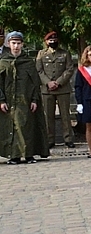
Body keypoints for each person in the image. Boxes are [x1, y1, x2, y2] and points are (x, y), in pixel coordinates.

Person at [0, 31, 49, 164]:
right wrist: (1, 100)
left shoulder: (28, 62)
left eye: (18, 43)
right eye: (13, 43)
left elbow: (35, 83)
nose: (16, 46)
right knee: (11, 127)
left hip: (25, 100)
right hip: (8, 100)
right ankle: (14, 155)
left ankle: (29, 154)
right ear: (9, 44)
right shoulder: (3, 61)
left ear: (22, 44)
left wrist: (34, 99)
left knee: (27, 126)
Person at [36, 31, 76, 148]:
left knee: (65, 115)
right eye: (50, 40)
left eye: (55, 40)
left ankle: (68, 139)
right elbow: (39, 70)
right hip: (47, 89)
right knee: (48, 115)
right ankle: (49, 140)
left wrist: (58, 82)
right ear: (46, 42)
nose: (53, 42)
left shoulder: (64, 53)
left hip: (62, 88)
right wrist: (48, 83)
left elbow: (69, 69)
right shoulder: (41, 54)